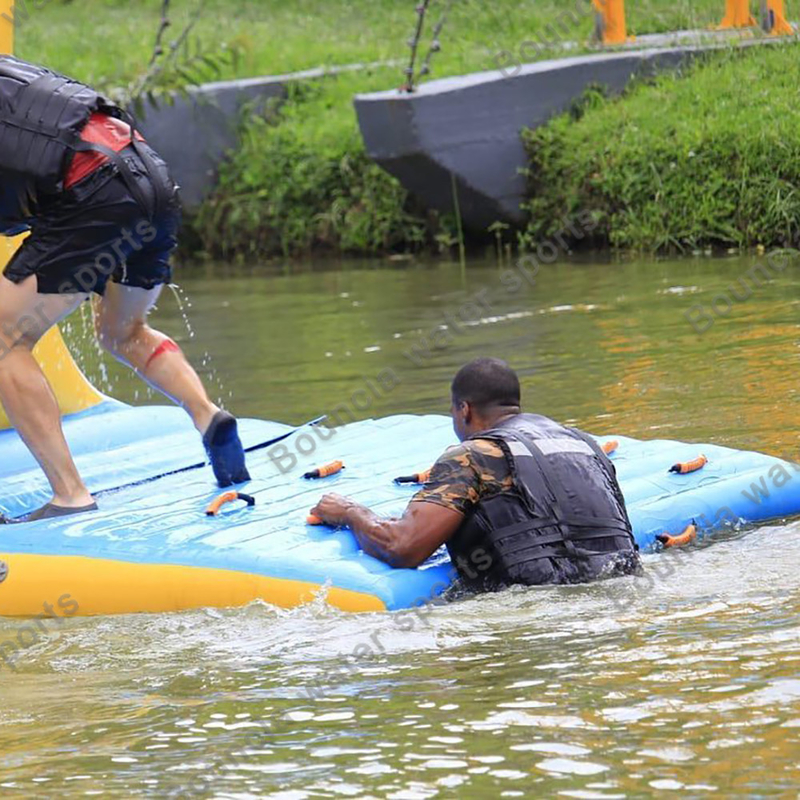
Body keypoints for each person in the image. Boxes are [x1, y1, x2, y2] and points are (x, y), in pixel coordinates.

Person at [0, 56, 249, 523]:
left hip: (94, 196)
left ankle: (69, 495)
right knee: (123, 330)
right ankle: (207, 415)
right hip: (151, 179)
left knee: (5, 340)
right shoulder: (17, 75)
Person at [311, 357, 640, 592]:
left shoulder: (472, 455)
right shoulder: (585, 444)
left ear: (464, 409)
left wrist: (350, 513)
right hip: (622, 583)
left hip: (538, 600)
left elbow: (403, 547)